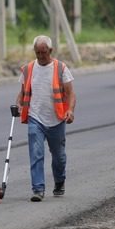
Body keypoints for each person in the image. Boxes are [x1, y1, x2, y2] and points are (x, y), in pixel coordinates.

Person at [15, 35, 76, 202]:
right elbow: (21, 94)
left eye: (44, 52)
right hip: (35, 118)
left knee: (59, 156)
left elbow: (70, 93)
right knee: (36, 153)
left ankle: (59, 180)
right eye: (37, 53)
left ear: (50, 51)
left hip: (57, 119)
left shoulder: (61, 68)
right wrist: (19, 105)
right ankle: (38, 189)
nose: (41, 56)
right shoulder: (28, 69)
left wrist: (69, 110)